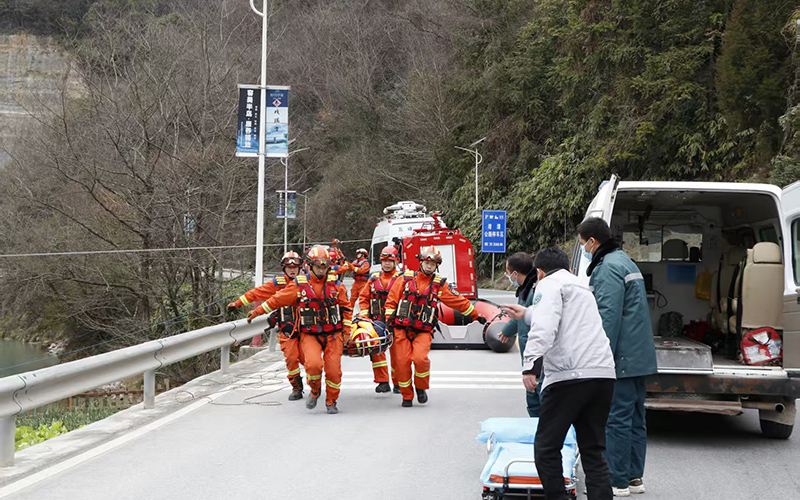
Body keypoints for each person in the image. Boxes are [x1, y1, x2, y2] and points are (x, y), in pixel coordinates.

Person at [503, 248, 616, 500]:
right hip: (603, 375)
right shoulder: (581, 286)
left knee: (546, 448)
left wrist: (530, 367)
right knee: (593, 449)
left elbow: (544, 328)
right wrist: (527, 313)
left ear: (540, 272)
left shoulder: (548, 284)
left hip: (570, 377)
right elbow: (568, 319)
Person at [577, 217, 658, 497]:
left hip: (621, 357)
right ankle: (634, 477)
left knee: (617, 419)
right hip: (639, 356)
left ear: (592, 241)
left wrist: (600, 357)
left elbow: (607, 317)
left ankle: (616, 480)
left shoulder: (608, 267)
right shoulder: (625, 260)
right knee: (635, 417)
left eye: (583, 244)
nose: (584, 249)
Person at [247, 245, 352, 414]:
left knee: (333, 371)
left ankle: (331, 401)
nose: (322, 269)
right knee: (313, 366)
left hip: (333, 334)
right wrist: (257, 312)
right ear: (310, 265)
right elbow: (276, 300)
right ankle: (315, 390)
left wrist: (347, 332)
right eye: (318, 265)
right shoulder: (298, 285)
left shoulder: (337, 286)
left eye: (325, 266)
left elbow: (346, 309)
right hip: (310, 334)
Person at [384, 246, 486, 407]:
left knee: (420, 359)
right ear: (421, 262)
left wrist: (476, 315)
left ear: (437, 266)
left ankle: (421, 387)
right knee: (401, 363)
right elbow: (391, 300)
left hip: (423, 330)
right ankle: (407, 396)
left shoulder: (439, 285)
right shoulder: (404, 279)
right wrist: (388, 320)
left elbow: (458, 302)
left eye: (433, 264)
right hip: (401, 328)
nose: (429, 266)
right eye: (427, 262)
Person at [228, 251, 305, 401]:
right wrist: (237, 303)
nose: (292, 269)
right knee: (291, 357)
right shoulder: (278, 284)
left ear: (300, 267)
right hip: (287, 328)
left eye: (295, 266)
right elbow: (256, 293)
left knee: (309, 360)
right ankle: (296, 387)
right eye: (289, 266)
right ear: (283, 268)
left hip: (307, 328)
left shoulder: (307, 282)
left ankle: (315, 386)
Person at [499, 252, 542, 417]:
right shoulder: (526, 288)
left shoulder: (534, 290)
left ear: (515, 273)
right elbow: (520, 314)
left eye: (508, 272)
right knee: (532, 392)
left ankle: (540, 432)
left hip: (535, 350)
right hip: (528, 348)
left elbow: (528, 315)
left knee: (536, 392)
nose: (508, 276)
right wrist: (507, 331)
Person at [357, 245, 402, 393]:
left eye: (390, 261)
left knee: (397, 355)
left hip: (396, 322)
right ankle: (382, 381)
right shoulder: (374, 279)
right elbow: (364, 297)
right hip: (376, 322)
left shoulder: (402, 279)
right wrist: (364, 315)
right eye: (384, 261)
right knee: (376, 351)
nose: (387, 263)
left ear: (396, 262)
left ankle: (398, 383)